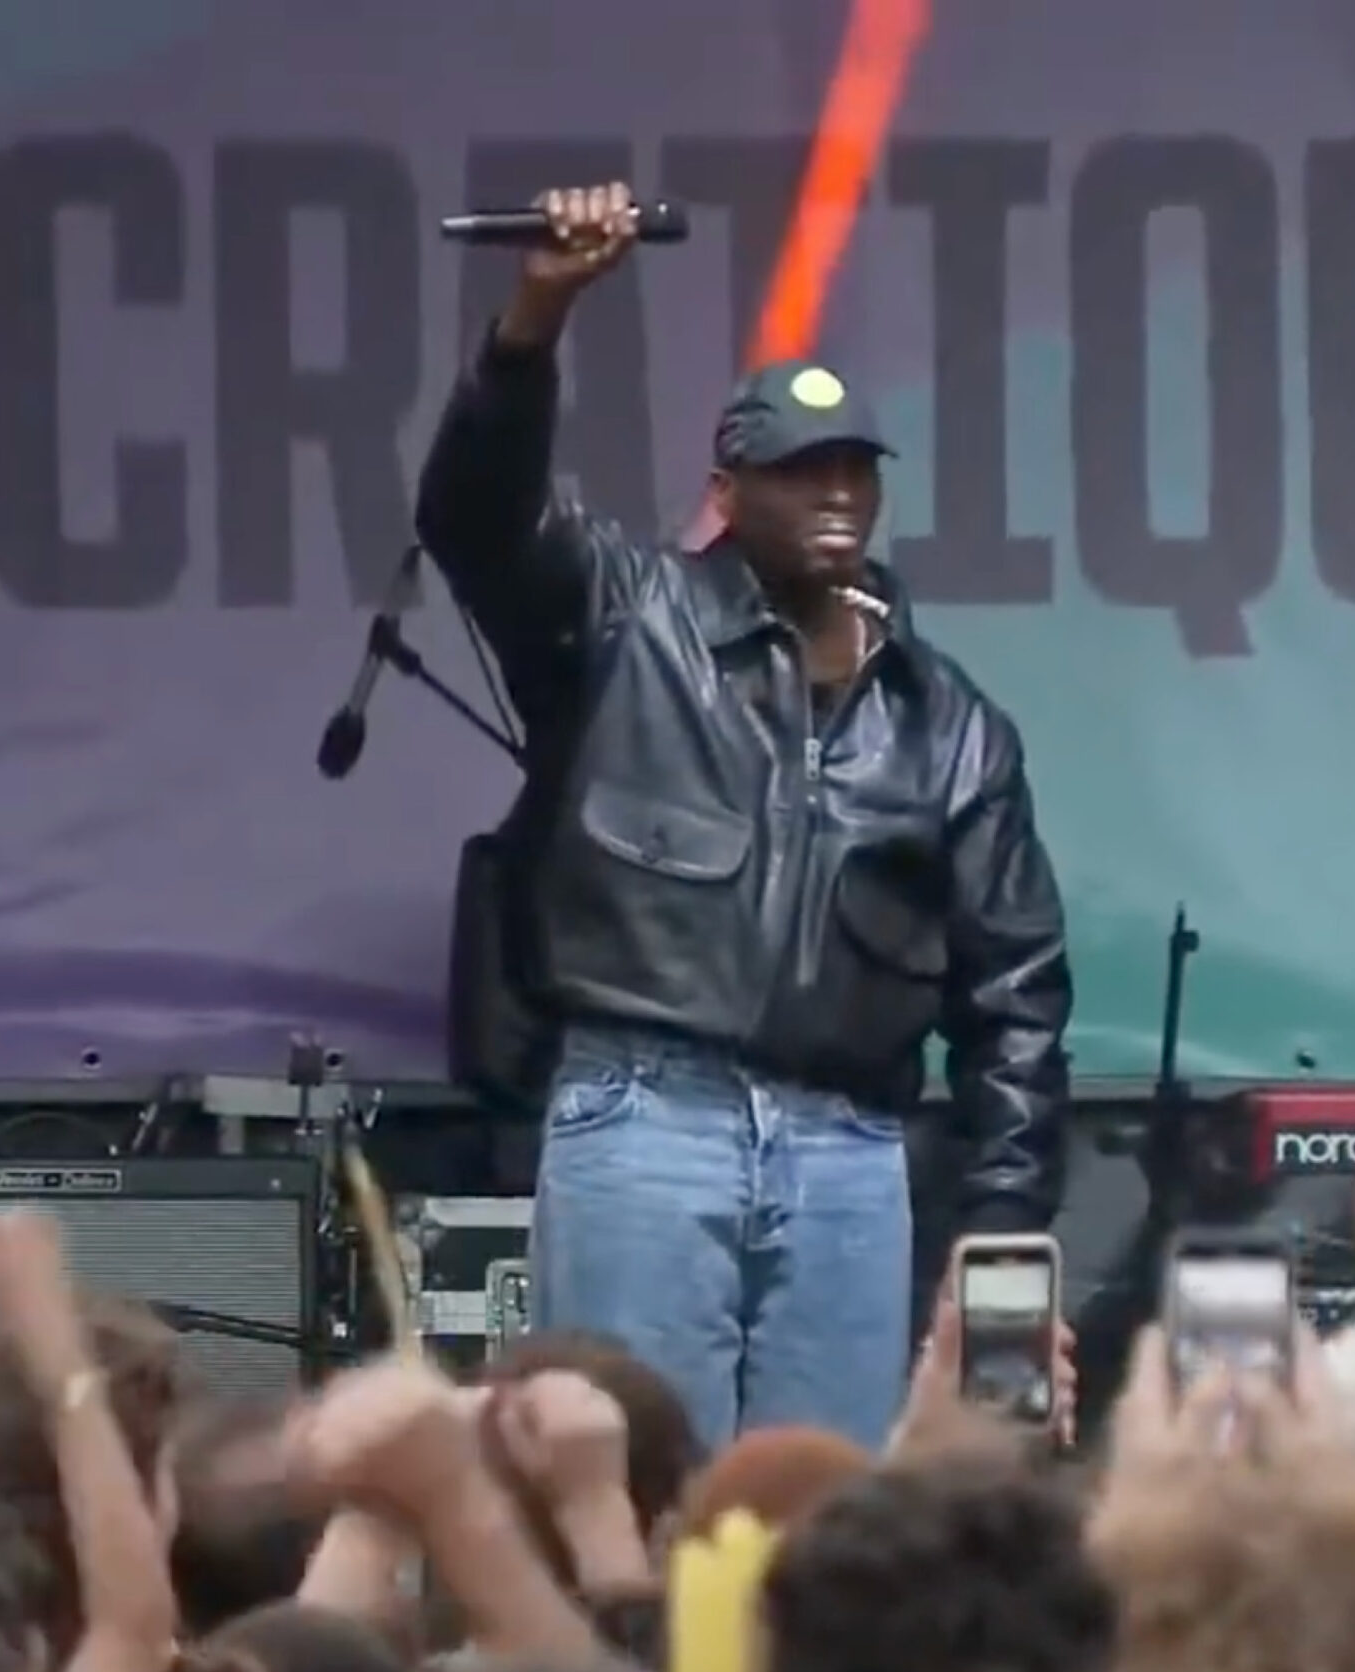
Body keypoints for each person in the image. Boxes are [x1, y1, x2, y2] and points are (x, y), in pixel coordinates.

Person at [417, 182, 1072, 1451]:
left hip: (851, 1148)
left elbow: (1015, 1001)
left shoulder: (947, 725)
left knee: (816, 1507)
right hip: (646, 1113)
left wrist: (1001, 1235)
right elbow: (473, 517)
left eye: (852, 468)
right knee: (636, 1482)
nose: (833, 491)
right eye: (796, 469)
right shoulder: (625, 622)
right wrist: (537, 312)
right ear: (726, 490)